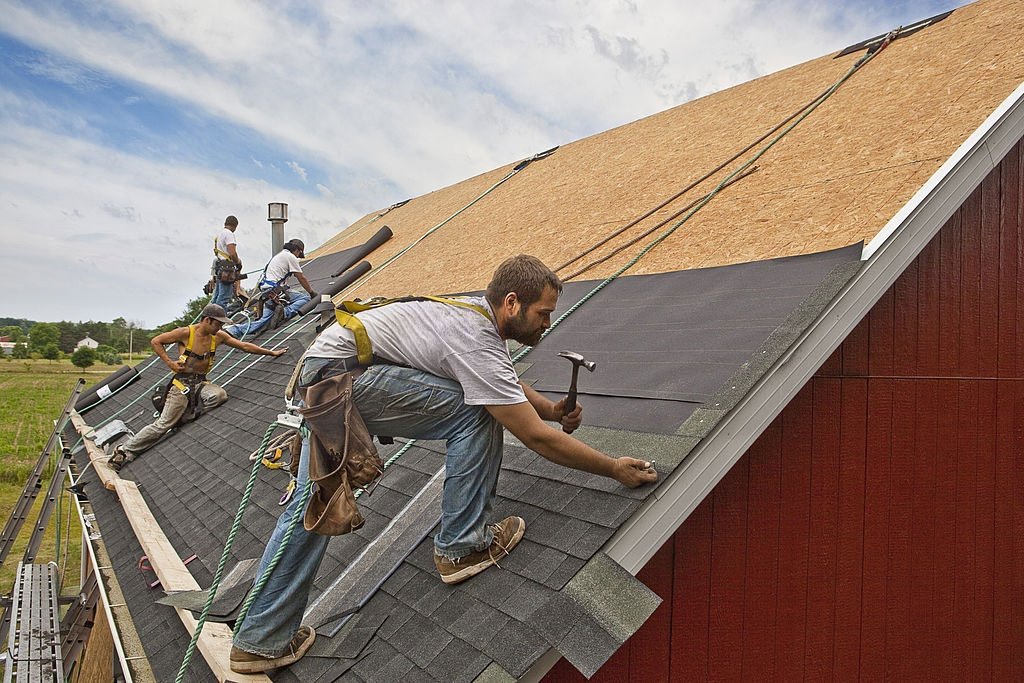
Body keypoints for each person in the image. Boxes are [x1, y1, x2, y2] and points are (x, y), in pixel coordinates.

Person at [228, 255, 658, 674]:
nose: (548, 323)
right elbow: (533, 436)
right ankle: (461, 546)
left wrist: (549, 408)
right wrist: (613, 467)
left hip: (326, 378)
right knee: (479, 411)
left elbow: (498, 376)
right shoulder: (473, 336)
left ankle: (260, 640)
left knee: (313, 503)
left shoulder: (472, 316)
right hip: (342, 381)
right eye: (544, 313)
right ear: (512, 303)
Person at [109, 304, 287, 471]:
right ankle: (124, 450)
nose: (219, 328)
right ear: (207, 320)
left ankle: (184, 416)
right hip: (181, 385)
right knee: (162, 425)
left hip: (200, 383)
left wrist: (272, 352)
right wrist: (170, 363)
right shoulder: (186, 333)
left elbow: (244, 346)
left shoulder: (219, 337)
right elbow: (156, 341)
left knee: (219, 395)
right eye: (217, 323)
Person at [225, 240, 317, 339]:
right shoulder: (290, 257)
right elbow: (301, 277)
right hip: (274, 290)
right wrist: (311, 292)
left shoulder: (280, 255)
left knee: (264, 320)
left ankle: (233, 329)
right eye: (299, 254)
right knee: (305, 299)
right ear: (297, 250)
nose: (298, 257)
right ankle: (284, 313)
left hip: (268, 289)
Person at [211, 215, 243, 308]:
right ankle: (218, 320)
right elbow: (232, 252)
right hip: (227, 269)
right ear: (235, 226)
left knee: (217, 296)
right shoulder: (229, 234)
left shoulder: (219, 235)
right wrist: (238, 263)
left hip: (220, 267)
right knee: (223, 298)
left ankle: (210, 316)